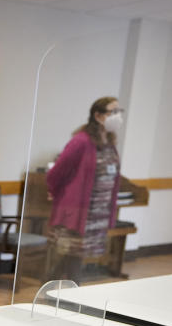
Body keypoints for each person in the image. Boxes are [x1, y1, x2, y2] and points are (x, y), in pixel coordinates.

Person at [46, 96, 123, 280]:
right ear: (98, 115)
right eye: (113, 112)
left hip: (98, 212)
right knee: (73, 255)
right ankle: (70, 295)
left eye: (119, 112)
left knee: (74, 256)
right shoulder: (81, 141)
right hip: (78, 211)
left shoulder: (109, 142)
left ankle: (51, 288)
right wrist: (56, 193)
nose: (117, 116)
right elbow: (56, 172)